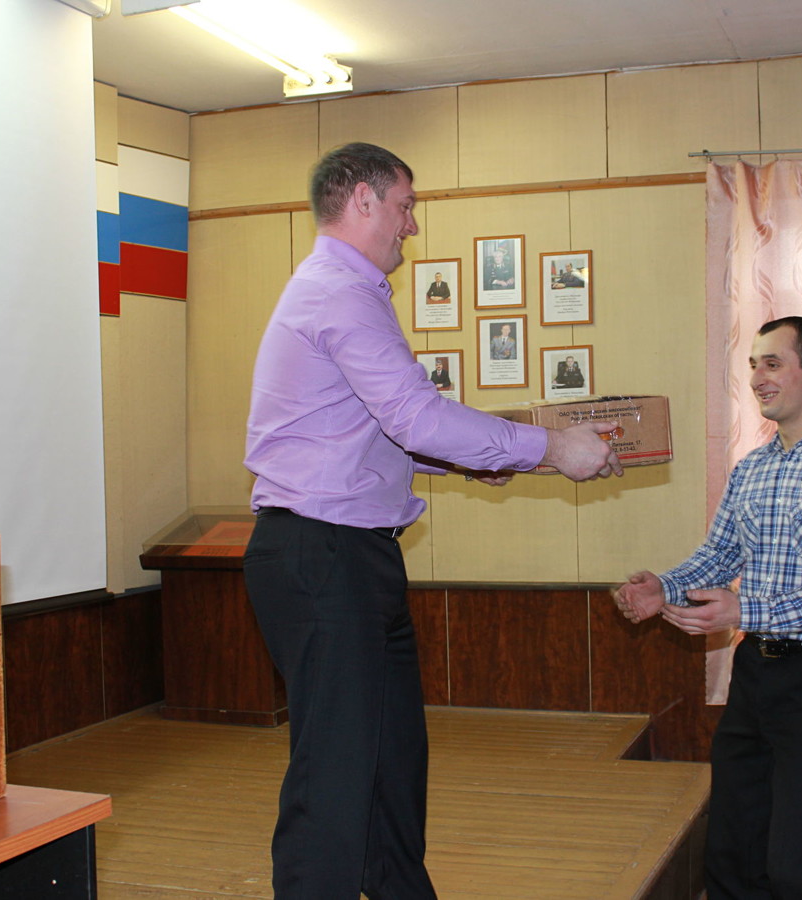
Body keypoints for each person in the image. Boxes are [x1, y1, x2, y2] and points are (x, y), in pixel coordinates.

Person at [243, 142, 623, 900]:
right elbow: (414, 416)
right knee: (335, 780)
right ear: (362, 200)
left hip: (352, 558)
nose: (412, 226)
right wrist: (551, 448)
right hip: (324, 557)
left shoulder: (347, 290)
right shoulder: (338, 291)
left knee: (391, 769)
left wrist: (476, 461)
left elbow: (375, 429)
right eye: (406, 205)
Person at [613, 315, 802, 900]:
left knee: (796, 869)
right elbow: (718, 557)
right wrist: (663, 588)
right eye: (752, 364)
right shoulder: (753, 467)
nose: (757, 377)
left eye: (773, 363)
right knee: (732, 856)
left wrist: (743, 612)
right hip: (756, 674)